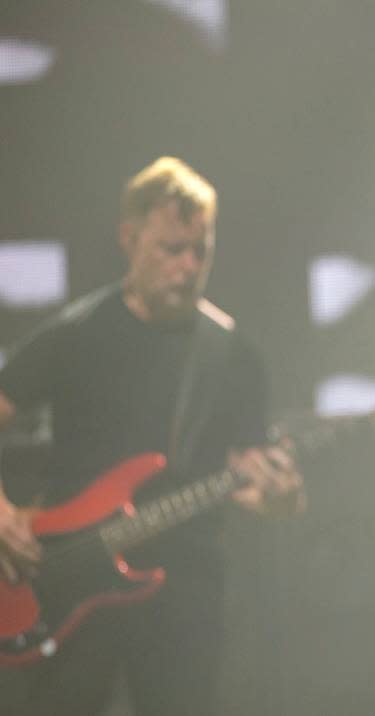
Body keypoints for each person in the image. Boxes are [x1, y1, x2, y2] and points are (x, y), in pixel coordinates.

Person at [0, 156, 304, 715]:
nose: (187, 267)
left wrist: (279, 500)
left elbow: (262, 479)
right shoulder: (77, 333)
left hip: (185, 600)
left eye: (200, 251)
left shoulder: (234, 356)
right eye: (170, 249)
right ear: (129, 238)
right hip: (65, 583)